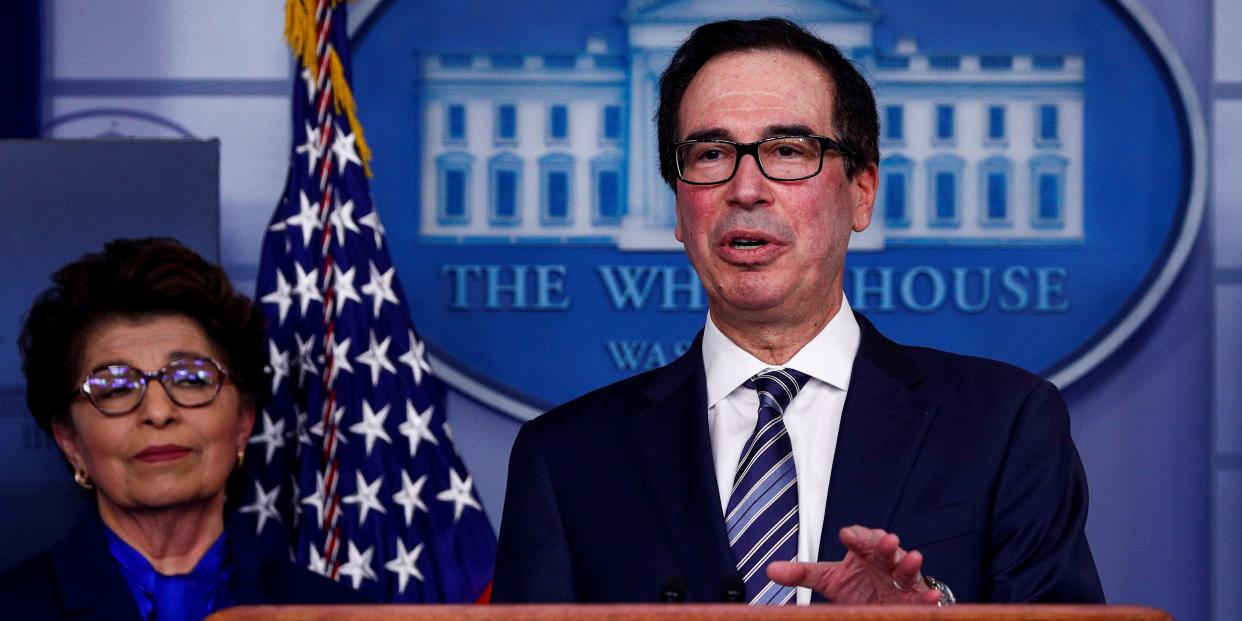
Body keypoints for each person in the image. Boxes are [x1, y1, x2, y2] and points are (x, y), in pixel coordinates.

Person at [492, 18, 1104, 605]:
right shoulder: (565, 458)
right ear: (679, 209)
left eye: (787, 151)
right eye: (709, 155)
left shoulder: (1005, 425)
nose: (746, 188)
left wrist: (935, 615)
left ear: (861, 191)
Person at [0, 238, 365, 620]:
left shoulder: (342, 615)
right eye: (116, 388)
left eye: (191, 379)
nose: (158, 412)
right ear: (70, 442)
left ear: (243, 422)